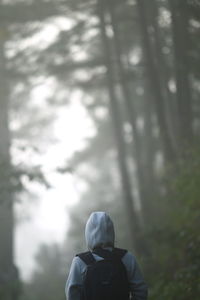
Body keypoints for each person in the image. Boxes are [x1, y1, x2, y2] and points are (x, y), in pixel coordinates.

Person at [65, 211, 148, 300]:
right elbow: (141, 290)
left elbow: (72, 294)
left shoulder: (80, 262)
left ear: (88, 234)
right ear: (111, 231)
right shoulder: (126, 257)